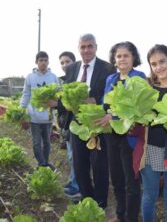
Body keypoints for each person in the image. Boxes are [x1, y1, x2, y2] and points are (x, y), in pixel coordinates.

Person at [63, 33, 115, 208]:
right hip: (77, 125)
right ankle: (87, 199)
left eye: (90, 46)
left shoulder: (108, 68)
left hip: (97, 124)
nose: (86, 50)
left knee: (100, 165)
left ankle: (100, 203)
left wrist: (95, 100)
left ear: (96, 47)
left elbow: (111, 95)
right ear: (78, 48)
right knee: (79, 165)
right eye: (83, 47)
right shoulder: (72, 69)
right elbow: (65, 94)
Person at [96, 41, 145, 222]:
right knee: (116, 178)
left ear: (133, 58)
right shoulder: (111, 79)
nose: (122, 59)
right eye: (119, 56)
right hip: (111, 136)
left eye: (126, 55)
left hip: (130, 136)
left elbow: (137, 108)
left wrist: (114, 117)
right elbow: (104, 104)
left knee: (131, 181)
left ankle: (131, 218)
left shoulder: (139, 77)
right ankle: (120, 214)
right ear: (114, 60)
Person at [140, 44, 167, 222]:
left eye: (162, 61)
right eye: (154, 64)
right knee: (150, 195)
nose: (159, 67)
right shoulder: (147, 89)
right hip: (151, 148)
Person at [20, 51, 60, 169]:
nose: (43, 63)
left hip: (47, 117)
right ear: (36, 62)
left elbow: (58, 94)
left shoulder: (53, 77)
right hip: (34, 116)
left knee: (47, 142)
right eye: (41, 60)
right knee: (37, 142)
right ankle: (41, 163)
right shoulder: (30, 77)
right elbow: (26, 94)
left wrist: (55, 102)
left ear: (48, 62)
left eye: (45, 60)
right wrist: (22, 110)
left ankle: (46, 161)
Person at [57, 51, 81, 198]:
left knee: (75, 157)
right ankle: (73, 182)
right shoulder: (63, 81)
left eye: (68, 61)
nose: (65, 65)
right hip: (65, 125)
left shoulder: (77, 81)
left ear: (74, 62)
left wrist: (57, 104)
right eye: (62, 62)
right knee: (71, 156)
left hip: (75, 125)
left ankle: (76, 186)